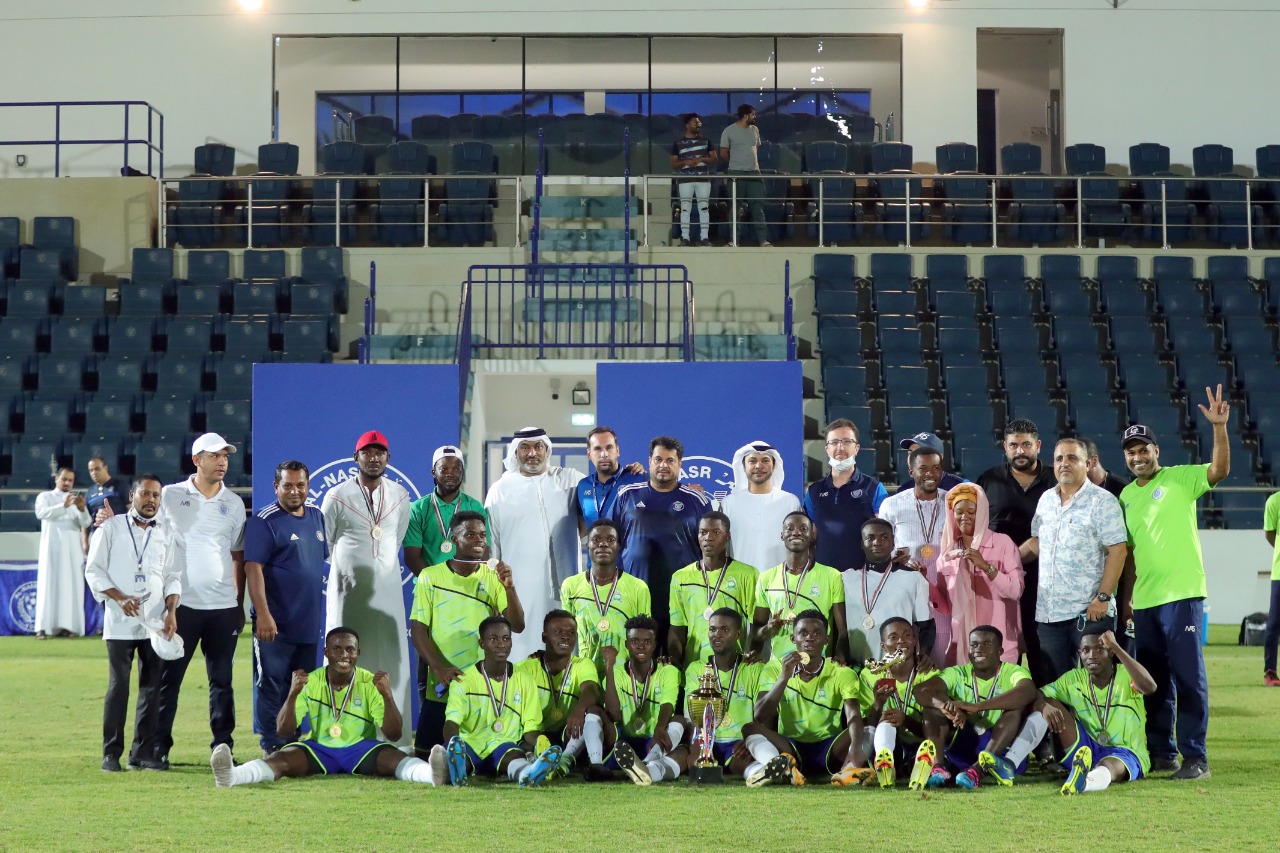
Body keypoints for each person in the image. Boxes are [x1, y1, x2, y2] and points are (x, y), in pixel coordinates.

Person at [1118, 387, 1229, 782]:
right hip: (1146, 601)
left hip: (1182, 595)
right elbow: (1129, 555)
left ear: (1156, 451)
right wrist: (1128, 600)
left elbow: (1219, 471)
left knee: (1188, 678)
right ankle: (1162, 752)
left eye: (1143, 449)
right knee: (1154, 682)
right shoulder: (1125, 496)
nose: (1137, 457)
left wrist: (1219, 428)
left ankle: (1196, 758)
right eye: (1131, 452)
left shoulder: (1181, 478)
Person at [210, 627, 446, 788]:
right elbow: (283, 731)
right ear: (326, 652)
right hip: (319, 749)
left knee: (394, 758)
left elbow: (393, 734)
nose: (344, 655)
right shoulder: (310, 681)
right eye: (337, 649)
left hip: (360, 749)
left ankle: (432, 775)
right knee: (281, 759)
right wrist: (292, 694)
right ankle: (231, 775)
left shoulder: (370, 682)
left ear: (358, 653)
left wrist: (387, 696)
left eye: (350, 649)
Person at [138, 433, 245, 769]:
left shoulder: (234, 503)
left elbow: (237, 555)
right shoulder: (170, 495)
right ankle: (159, 747)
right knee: (168, 681)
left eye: (225, 456)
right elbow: (142, 526)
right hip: (179, 607)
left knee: (222, 682)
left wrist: (238, 602)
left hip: (223, 607)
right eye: (215, 456)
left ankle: (223, 747)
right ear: (197, 459)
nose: (222, 462)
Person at [321, 429, 413, 745]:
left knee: (390, 658)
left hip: (387, 592)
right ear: (356, 457)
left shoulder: (400, 495)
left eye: (379, 453)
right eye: (367, 453)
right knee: (343, 657)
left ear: (388, 458)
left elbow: (396, 540)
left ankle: (394, 740)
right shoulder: (336, 495)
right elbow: (326, 543)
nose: (374, 458)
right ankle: (340, 736)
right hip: (348, 591)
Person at [84, 475, 180, 772]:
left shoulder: (166, 531)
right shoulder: (110, 528)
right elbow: (93, 570)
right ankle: (110, 753)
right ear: (132, 496)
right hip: (119, 621)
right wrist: (119, 597)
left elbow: (173, 576)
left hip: (155, 621)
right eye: (145, 494)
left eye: (156, 495)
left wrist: (172, 612)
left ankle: (142, 752)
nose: (151, 500)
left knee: (152, 688)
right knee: (119, 686)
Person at [409, 510, 523, 757]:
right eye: (470, 535)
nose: (479, 540)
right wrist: (439, 668)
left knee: (481, 755)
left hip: (480, 685)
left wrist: (510, 588)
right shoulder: (430, 576)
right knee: (425, 756)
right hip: (443, 683)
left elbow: (517, 625)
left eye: (482, 535)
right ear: (454, 539)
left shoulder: (493, 577)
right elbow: (418, 630)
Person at [1020, 438, 1128, 683]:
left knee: (1099, 684)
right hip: (1049, 615)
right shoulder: (1046, 499)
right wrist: (1006, 561)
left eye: (1072, 458)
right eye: (1059, 458)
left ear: (1088, 464)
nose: (1064, 463)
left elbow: (1118, 550)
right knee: (1055, 687)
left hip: (1090, 612)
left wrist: (1103, 597)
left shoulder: (1103, 501)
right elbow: (1038, 542)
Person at [243, 460, 329, 756]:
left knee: (300, 685)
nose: (295, 491)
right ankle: (271, 743)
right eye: (288, 485)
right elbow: (252, 568)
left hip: (307, 622)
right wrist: (263, 614)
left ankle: (292, 740)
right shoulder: (263, 521)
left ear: (308, 486)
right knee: (271, 684)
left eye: (300, 485)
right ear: (275, 487)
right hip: (274, 624)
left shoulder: (316, 517)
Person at [1009, 626, 1155, 795]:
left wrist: (1117, 647)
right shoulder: (1074, 679)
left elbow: (1149, 687)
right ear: (1080, 654)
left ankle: (1084, 783)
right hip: (1084, 749)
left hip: (1124, 751)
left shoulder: (1126, 675)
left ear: (1111, 652)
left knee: (1108, 765)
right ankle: (1009, 764)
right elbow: (1035, 695)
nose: (1092, 655)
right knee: (1048, 703)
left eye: (1099, 649)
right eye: (1086, 650)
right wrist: (1044, 706)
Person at [486, 426, 584, 660]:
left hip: (566, 585)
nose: (532, 453)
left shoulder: (569, 479)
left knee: (567, 650)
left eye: (538, 446)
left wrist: (630, 473)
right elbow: (492, 549)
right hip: (519, 591)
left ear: (547, 450)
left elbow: (604, 491)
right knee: (522, 652)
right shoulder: (500, 490)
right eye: (525, 447)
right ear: (515, 452)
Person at [436, 615, 563, 787]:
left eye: (505, 638)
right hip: (470, 743)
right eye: (493, 639)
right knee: (460, 755)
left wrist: (541, 744)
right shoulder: (463, 681)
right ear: (482, 643)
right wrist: (453, 742)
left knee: (514, 756)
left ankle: (527, 774)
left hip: (503, 745)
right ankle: (457, 767)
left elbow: (531, 728)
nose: (501, 644)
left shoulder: (525, 680)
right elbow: (452, 723)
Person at [976, 418, 1056, 681]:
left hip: (1045, 579)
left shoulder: (1056, 478)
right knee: (1001, 646)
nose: (1020, 451)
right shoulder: (988, 480)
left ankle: (1045, 699)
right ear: (1005, 447)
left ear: (1038, 445)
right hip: (999, 579)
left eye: (1026, 445)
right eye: (1014, 445)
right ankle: (1001, 697)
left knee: (1041, 649)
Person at [610, 435, 710, 644]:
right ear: (649, 461)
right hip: (635, 595)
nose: (663, 465)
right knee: (638, 659)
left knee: (680, 657)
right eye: (658, 459)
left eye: (670, 460)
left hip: (683, 597)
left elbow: (710, 549)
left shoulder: (696, 499)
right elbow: (610, 540)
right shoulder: (627, 495)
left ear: (680, 464)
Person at [755, 609, 870, 785]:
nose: (809, 638)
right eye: (803, 633)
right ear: (793, 639)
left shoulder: (842, 672)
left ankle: (850, 769)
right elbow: (759, 715)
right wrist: (784, 678)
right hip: (790, 748)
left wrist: (855, 746)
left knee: (867, 723)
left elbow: (853, 714)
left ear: (826, 639)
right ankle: (783, 769)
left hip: (829, 749)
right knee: (749, 728)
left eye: (817, 633)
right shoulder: (775, 668)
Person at [682, 608, 794, 787]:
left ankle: (769, 770)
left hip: (740, 742)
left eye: (725, 630)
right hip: (707, 741)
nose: (717, 635)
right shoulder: (696, 669)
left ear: (738, 634)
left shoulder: (755, 668)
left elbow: (764, 714)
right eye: (712, 629)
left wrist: (754, 735)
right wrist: (696, 744)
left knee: (741, 765)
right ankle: (778, 771)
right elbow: (692, 716)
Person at [925, 625, 1036, 789]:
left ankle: (977, 770)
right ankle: (938, 768)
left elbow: (1027, 691)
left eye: (987, 644)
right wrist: (946, 706)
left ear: (1000, 651)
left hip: (1000, 751)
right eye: (974, 644)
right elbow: (922, 690)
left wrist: (978, 707)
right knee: (932, 707)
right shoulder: (958, 673)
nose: (979, 649)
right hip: (968, 745)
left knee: (1015, 708)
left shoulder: (1012, 671)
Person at [935, 483, 1024, 665]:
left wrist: (986, 567)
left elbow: (1015, 591)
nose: (964, 517)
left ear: (982, 512)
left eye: (971, 511)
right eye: (959, 512)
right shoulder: (948, 554)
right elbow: (946, 607)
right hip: (962, 648)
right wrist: (922, 581)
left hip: (999, 646)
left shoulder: (1003, 543)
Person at [877, 446, 951, 663]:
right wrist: (893, 560)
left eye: (936, 468)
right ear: (911, 472)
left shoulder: (952, 503)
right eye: (923, 468)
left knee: (942, 658)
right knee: (906, 655)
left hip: (944, 592)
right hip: (906, 592)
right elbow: (881, 549)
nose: (930, 474)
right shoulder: (892, 505)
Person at [858, 617, 950, 790]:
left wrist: (906, 720)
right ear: (883, 645)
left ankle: (913, 767)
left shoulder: (929, 674)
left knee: (925, 751)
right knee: (886, 722)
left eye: (907, 635)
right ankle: (885, 763)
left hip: (921, 742)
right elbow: (865, 726)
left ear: (915, 640)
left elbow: (939, 727)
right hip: (887, 741)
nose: (901, 641)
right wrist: (878, 705)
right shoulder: (869, 675)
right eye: (893, 637)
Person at [599, 616, 687, 785]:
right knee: (597, 714)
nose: (641, 646)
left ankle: (646, 765)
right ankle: (646, 766)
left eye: (647, 642)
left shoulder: (668, 671)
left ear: (654, 645)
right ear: (626, 644)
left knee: (680, 725)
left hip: (654, 741)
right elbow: (614, 714)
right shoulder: (616, 673)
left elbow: (668, 703)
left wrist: (660, 727)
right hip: (624, 744)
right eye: (635, 641)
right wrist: (609, 667)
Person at [514, 610, 600, 778]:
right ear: (544, 637)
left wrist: (580, 709)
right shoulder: (524, 668)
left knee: (593, 711)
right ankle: (533, 760)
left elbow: (591, 688)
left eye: (571, 633)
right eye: (558, 632)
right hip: (533, 734)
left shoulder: (583, 664)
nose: (565, 637)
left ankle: (564, 761)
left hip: (566, 733)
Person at [753, 511, 847, 663]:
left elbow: (842, 630)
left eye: (803, 528)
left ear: (812, 535)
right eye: (789, 528)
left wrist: (840, 656)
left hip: (817, 666)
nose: (796, 532)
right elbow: (756, 633)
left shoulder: (831, 575)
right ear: (782, 535)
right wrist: (769, 628)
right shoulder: (766, 578)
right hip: (778, 667)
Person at [560, 519, 651, 677]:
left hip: (624, 677)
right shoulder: (571, 586)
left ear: (618, 546)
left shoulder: (638, 587)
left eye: (610, 540)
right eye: (596, 540)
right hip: (585, 676)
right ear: (587, 546)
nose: (603, 544)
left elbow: (644, 637)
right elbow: (565, 635)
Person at [668, 511, 758, 669]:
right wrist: (674, 662)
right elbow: (677, 628)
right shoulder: (680, 578)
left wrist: (751, 655)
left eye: (716, 532)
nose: (708, 538)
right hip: (694, 669)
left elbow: (757, 624)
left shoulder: (748, 575)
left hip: (734, 669)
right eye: (703, 532)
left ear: (728, 537)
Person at [843, 518, 933, 663]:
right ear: (862, 544)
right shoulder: (846, 578)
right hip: (855, 665)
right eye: (870, 538)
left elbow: (926, 626)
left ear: (893, 543)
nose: (877, 542)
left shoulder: (913, 578)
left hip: (898, 667)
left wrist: (924, 655)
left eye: (884, 537)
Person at [803, 419, 887, 571]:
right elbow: (810, 537)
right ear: (827, 449)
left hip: (863, 575)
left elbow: (884, 534)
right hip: (823, 576)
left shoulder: (874, 488)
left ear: (857, 448)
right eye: (834, 442)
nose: (840, 447)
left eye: (847, 441)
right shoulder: (814, 491)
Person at [717, 440, 802, 573]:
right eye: (752, 461)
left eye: (765, 460)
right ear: (743, 466)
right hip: (739, 580)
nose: (758, 466)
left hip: (781, 580)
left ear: (774, 466)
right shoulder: (729, 503)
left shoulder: (790, 502)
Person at [404, 445, 486, 575]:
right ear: (433, 472)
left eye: (456, 469)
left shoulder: (475, 507)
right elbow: (412, 557)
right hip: (429, 584)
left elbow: (483, 551)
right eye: (444, 469)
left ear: (462, 472)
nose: (450, 474)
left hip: (467, 583)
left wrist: (465, 581)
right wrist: (436, 582)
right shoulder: (418, 509)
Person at [34, 467, 92, 638]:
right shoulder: (45, 497)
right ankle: (42, 628)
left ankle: (68, 627)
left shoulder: (76, 501)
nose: (67, 483)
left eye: (70, 480)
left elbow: (86, 522)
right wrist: (63, 505)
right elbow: (41, 513)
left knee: (71, 588)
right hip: (51, 550)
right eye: (64, 479)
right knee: (47, 585)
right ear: (56, 479)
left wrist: (82, 509)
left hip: (72, 551)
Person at [718, 104, 770, 247]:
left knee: (758, 207)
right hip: (736, 172)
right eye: (753, 114)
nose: (755, 117)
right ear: (746, 115)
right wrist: (737, 161)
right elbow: (723, 152)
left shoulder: (755, 130)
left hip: (754, 172)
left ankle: (763, 240)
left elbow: (755, 148)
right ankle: (734, 241)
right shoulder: (729, 131)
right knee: (735, 208)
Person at [574, 426, 645, 530]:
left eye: (609, 448)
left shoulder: (637, 480)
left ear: (618, 451)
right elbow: (582, 525)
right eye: (597, 449)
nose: (604, 454)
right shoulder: (583, 486)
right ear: (589, 454)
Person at [671, 112, 717, 246]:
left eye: (699, 122)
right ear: (687, 125)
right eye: (695, 122)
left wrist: (702, 159)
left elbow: (714, 158)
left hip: (703, 179)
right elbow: (674, 163)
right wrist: (685, 162)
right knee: (685, 208)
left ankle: (704, 238)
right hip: (685, 179)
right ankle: (685, 238)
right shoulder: (678, 142)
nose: (698, 125)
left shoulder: (706, 141)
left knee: (704, 208)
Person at [896, 431, 966, 492]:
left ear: (939, 458)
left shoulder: (961, 487)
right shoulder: (904, 490)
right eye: (910, 453)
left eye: (920, 453)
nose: (912, 458)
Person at [84, 456, 127, 549]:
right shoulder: (89, 492)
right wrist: (85, 543)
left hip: (119, 536)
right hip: (97, 538)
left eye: (97, 469)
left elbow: (132, 510)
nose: (94, 473)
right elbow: (86, 519)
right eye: (91, 470)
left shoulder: (120, 485)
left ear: (105, 468)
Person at [1263, 490, 1280, 687]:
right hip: (1279, 573)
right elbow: (1270, 534)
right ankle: (1270, 671)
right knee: (1274, 623)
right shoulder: (1274, 502)